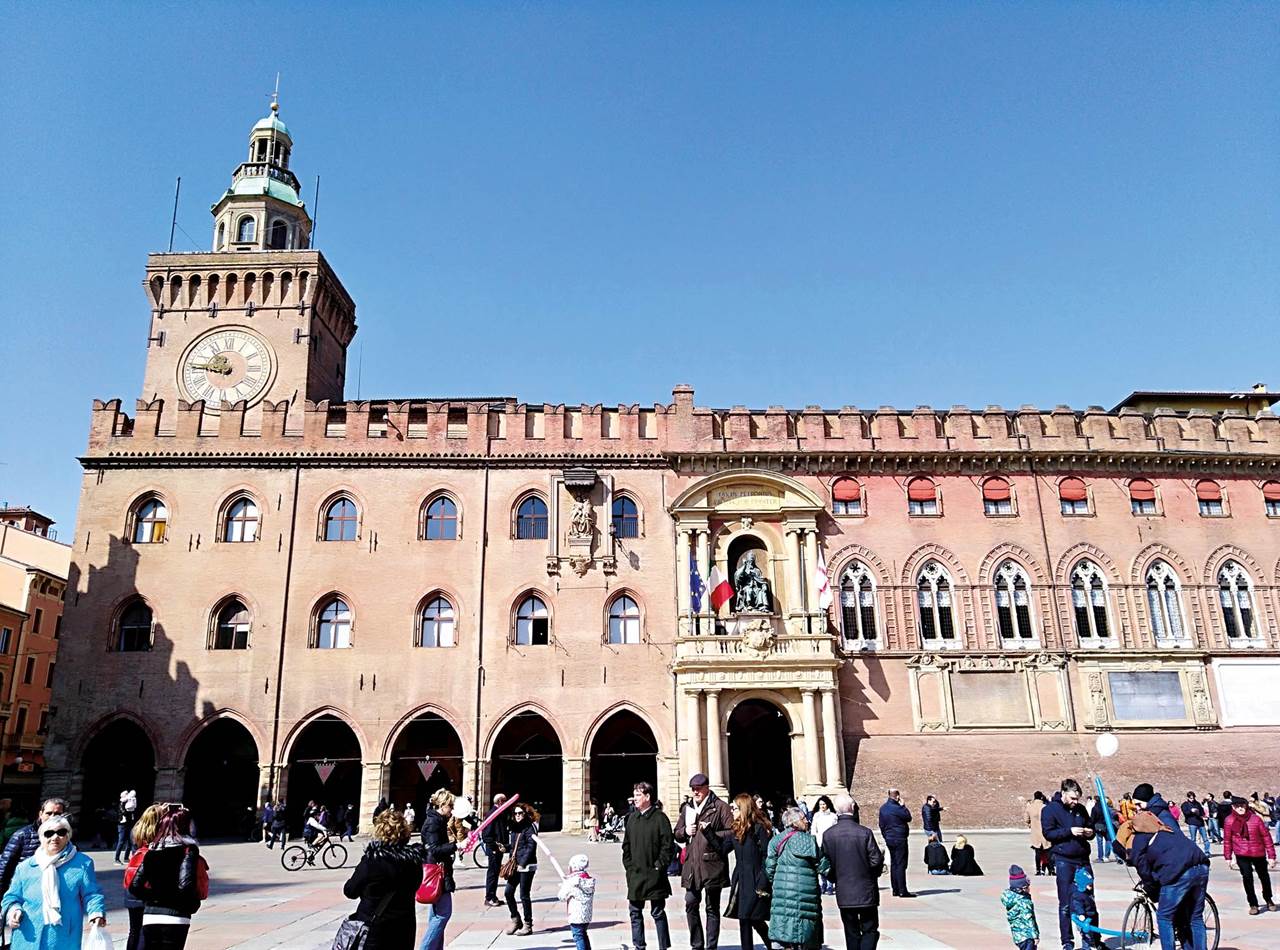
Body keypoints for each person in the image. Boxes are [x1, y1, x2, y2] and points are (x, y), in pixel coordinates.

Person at [1113, 782, 1210, 950]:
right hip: (1199, 862)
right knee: (1195, 917)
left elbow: (1144, 867)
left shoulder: (1141, 834)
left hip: (1179, 870)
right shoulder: (1154, 819)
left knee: (1164, 917)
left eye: (1138, 804)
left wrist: (1151, 885)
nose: (1136, 809)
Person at [1, 814, 106, 950]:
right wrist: (14, 909)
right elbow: (11, 896)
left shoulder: (82, 863)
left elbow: (92, 894)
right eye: (49, 833)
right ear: (41, 837)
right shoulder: (26, 866)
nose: (55, 837)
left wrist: (96, 913)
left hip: (64, 934)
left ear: (68, 836)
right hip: (28, 933)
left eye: (61, 832)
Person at [341, 806, 424, 950]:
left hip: (374, 927)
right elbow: (416, 885)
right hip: (404, 926)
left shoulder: (372, 861)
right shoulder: (414, 861)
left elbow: (350, 891)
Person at [127, 805, 206, 949]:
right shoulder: (188, 850)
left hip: (151, 915)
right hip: (176, 916)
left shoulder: (152, 850)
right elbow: (185, 885)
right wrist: (192, 904)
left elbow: (134, 886)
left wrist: (154, 897)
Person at [673, 773, 734, 950]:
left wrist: (710, 835)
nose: (695, 792)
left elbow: (731, 832)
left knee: (712, 908)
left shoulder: (720, 807)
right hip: (692, 864)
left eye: (698, 789)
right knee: (690, 903)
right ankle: (697, 944)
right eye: (693, 789)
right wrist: (685, 831)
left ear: (707, 787)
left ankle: (711, 946)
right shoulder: (687, 808)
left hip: (713, 864)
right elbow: (676, 832)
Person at [711, 793, 773, 950]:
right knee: (746, 918)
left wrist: (763, 880)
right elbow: (722, 849)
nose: (731, 810)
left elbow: (768, 855)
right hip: (741, 880)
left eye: (734, 808)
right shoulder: (736, 829)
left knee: (752, 918)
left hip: (756, 878)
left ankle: (774, 945)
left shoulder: (759, 828)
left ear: (743, 809)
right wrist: (708, 833)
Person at [821, 794, 882, 950]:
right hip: (866, 891)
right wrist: (870, 876)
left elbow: (824, 864)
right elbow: (876, 860)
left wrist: (834, 877)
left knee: (851, 931)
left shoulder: (828, 835)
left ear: (836, 810)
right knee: (869, 929)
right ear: (853, 808)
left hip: (844, 891)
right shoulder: (864, 832)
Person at [1040, 778, 1093, 950]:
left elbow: (1090, 828)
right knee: (1065, 903)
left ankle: (1092, 939)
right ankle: (1067, 941)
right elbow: (1048, 833)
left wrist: (1089, 832)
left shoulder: (1081, 809)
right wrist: (1069, 831)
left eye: (1077, 799)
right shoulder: (1049, 810)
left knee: (1088, 900)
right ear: (1063, 793)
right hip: (1064, 860)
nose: (1075, 802)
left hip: (1083, 860)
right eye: (1072, 798)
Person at [764, 806, 826, 950]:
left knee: (782, 934)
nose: (807, 822)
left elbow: (770, 870)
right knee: (804, 937)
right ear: (794, 822)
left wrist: (780, 883)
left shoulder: (775, 841)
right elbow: (823, 866)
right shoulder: (808, 841)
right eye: (804, 819)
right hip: (806, 900)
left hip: (782, 898)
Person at [622, 780, 674, 950]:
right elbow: (626, 845)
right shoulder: (631, 818)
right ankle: (639, 945)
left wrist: (659, 866)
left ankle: (663, 946)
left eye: (638, 795)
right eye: (634, 794)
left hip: (654, 874)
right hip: (635, 874)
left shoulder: (660, 818)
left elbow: (668, 846)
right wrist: (629, 866)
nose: (634, 798)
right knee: (635, 912)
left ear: (647, 796)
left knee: (658, 912)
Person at [415, 788, 458, 950]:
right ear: (443, 804)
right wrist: (455, 846)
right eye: (451, 806)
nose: (452, 809)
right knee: (443, 914)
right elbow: (434, 848)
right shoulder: (434, 822)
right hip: (437, 873)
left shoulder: (437, 820)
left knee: (436, 915)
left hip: (439, 871)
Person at [0, 799, 69, 898]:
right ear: (41, 814)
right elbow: (4, 868)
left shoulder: (67, 838)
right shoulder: (22, 835)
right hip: (25, 894)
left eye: (57, 814)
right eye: (48, 813)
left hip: (56, 894)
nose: (52, 817)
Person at [1222, 795, 1276, 915]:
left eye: (1242, 805)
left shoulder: (1255, 819)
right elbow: (1227, 840)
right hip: (1241, 853)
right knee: (1247, 878)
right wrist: (1228, 857)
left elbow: (1266, 837)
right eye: (1237, 806)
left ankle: (1268, 899)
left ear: (1246, 806)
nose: (1240, 808)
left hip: (1258, 852)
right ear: (1233, 807)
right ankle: (1253, 904)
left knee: (1264, 877)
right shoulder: (1229, 820)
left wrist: (1271, 856)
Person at [122, 804, 164, 950]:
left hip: (131, 884)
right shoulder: (160, 834)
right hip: (146, 886)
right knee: (145, 932)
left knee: (134, 930)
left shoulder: (137, 831)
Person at [504, 803, 540, 936]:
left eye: (520, 813)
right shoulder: (515, 828)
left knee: (524, 895)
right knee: (508, 892)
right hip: (515, 865)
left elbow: (531, 847)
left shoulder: (529, 827)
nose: (517, 816)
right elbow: (516, 846)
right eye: (515, 813)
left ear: (525, 814)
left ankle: (528, 924)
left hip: (527, 866)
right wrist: (505, 847)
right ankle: (516, 919)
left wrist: (523, 863)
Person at [877, 788, 914, 898]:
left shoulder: (883, 808)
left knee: (894, 863)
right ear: (897, 796)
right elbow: (908, 818)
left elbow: (881, 825)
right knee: (901, 864)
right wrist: (903, 806)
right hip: (900, 838)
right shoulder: (898, 808)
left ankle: (895, 889)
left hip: (889, 838)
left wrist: (886, 836)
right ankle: (902, 890)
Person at [558, 853, 596, 950]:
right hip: (586, 915)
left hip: (576, 916)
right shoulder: (588, 880)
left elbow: (562, 896)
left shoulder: (572, 882)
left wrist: (564, 886)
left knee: (578, 937)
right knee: (583, 934)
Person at [1001, 864, 1039, 950]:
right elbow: (1028, 919)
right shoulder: (1023, 902)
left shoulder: (1011, 898)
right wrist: (1035, 935)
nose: (1029, 889)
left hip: (1018, 936)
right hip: (1027, 935)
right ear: (1022, 888)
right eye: (1027, 887)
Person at [481, 794, 510, 907]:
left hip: (498, 849)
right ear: (500, 801)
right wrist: (495, 846)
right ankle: (489, 897)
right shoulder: (492, 814)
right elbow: (486, 835)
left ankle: (493, 896)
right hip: (494, 849)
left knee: (495, 872)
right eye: (505, 801)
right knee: (492, 873)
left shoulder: (500, 813)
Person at [809, 796, 837, 895]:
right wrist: (814, 840)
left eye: (824, 804)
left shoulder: (833, 816)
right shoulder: (816, 815)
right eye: (820, 804)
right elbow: (813, 829)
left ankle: (830, 885)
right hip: (819, 842)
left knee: (829, 864)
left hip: (830, 843)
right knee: (821, 864)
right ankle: (823, 884)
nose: (822, 806)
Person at [1068, 867, 1100, 949]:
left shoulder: (1086, 893)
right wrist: (1081, 914)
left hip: (1092, 915)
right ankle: (1086, 947)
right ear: (1082, 884)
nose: (1091, 887)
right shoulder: (1078, 895)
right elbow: (1078, 906)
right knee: (1086, 934)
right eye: (1089, 885)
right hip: (1084, 918)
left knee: (1094, 932)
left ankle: (1095, 943)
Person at [1024, 792, 1052, 876]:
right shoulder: (1045, 807)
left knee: (1037, 853)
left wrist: (1031, 825)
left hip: (1035, 832)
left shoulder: (1030, 807)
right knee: (1048, 852)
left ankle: (1038, 870)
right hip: (1045, 832)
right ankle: (1051, 869)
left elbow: (1026, 819)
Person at [1088, 797, 1112, 863]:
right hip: (1105, 825)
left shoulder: (1095, 808)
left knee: (1100, 842)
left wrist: (1091, 826)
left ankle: (1100, 858)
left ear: (1095, 801)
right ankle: (1107, 855)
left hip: (1098, 826)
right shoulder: (1105, 807)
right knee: (1108, 840)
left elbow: (1093, 818)